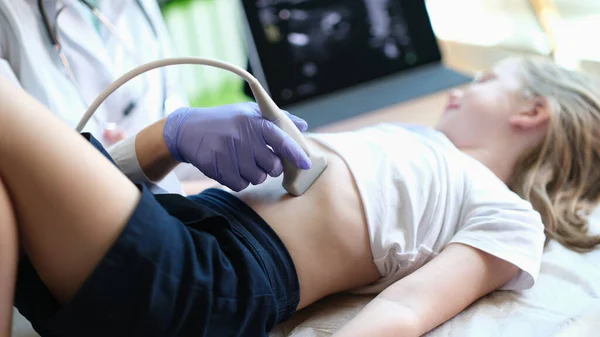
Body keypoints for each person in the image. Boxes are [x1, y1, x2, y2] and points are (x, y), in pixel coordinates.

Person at [2, 56, 600, 337]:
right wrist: (174, 139)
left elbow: (406, 311)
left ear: (532, 111)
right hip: (185, 227)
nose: (458, 92)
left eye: (485, 80)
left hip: (218, 278)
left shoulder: (511, 216)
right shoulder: (410, 141)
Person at [0, 0, 283, 194]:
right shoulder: (9, 20)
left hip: (164, 221)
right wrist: (166, 140)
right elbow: (49, 199)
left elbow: (179, 168)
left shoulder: (137, 6)